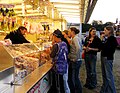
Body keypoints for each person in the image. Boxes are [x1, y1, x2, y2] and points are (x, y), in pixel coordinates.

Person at [100, 26, 118, 93]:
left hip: (107, 58)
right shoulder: (108, 39)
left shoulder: (112, 39)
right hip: (105, 58)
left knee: (109, 77)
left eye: (105, 30)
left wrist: (102, 40)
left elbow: (105, 48)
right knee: (105, 76)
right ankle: (105, 90)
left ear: (109, 31)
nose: (104, 32)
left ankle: (112, 91)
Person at [68, 27, 82, 93]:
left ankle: (78, 91)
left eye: (69, 31)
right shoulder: (75, 38)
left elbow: (78, 48)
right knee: (75, 77)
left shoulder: (75, 38)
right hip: (76, 60)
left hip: (75, 61)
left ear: (72, 32)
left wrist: (76, 58)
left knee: (75, 78)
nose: (68, 33)